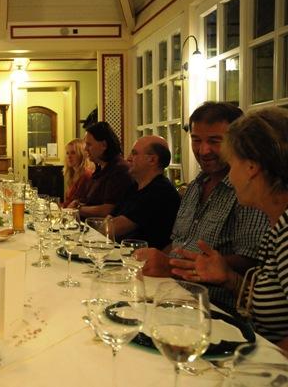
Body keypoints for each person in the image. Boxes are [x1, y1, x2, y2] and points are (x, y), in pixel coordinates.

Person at [169, 107, 288, 349]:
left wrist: (267, 363)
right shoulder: (277, 228)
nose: (230, 177)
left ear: (251, 168)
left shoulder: (285, 232)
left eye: (232, 165)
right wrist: (228, 278)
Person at [136, 102, 268, 310]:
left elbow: (250, 260)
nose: (203, 150)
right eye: (196, 140)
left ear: (237, 143)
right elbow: (178, 242)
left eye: (215, 141)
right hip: (171, 291)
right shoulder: (195, 185)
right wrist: (152, 259)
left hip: (215, 306)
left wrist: (174, 266)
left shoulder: (250, 189)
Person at [111, 135, 181, 249]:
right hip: (123, 252)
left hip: (141, 257)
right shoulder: (134, 186)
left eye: (134, 153)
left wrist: (101, 225)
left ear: (152, 160)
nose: (128, 158)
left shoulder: (161, 192)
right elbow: (110, 218)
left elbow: (113, 229)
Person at [79, 121, 133, 218]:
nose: (85, 149)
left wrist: (77, 210)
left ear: (104, 145)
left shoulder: (119, 170)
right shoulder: (100, 169)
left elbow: (107, 210)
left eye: (89, 144)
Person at [62, 138, 94, 208]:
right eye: (67, 153)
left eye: (73, 153)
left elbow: (79, 203)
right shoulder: (73, 174)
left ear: (82, 155)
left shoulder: (86, 175)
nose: (69, 156)